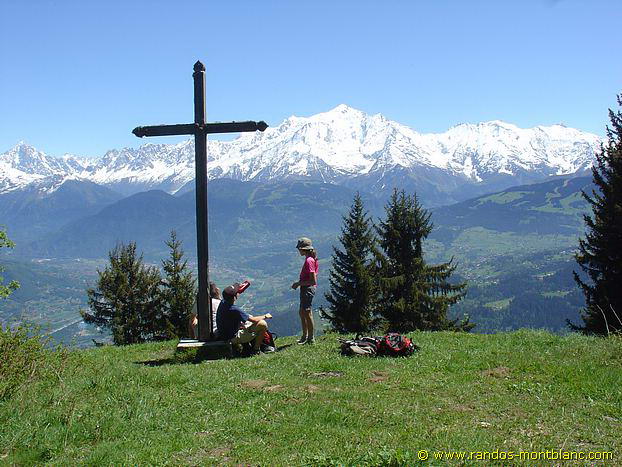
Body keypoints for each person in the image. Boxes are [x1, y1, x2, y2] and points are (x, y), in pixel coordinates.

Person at [216, 282, 273, 355]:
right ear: (235, 297)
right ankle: (256, 350)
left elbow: (232, 294)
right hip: (232, 338)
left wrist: (241, 287)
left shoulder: (223, 303)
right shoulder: (233, 309)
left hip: (225, 334)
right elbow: (254, 320)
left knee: (247, 321)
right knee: (262, 324)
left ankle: (248, 347)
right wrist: (265, 316)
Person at [291, 237, 319, 344]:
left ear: (302, 249)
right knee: (302, 312)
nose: (298, 250)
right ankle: (304, 336)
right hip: (305, 288)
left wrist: (298, 283)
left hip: (308, 289)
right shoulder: (310, 259)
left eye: (299, 248)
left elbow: (312, 281)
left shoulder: (309, 261)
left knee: (307, 313)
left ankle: (310, 338)